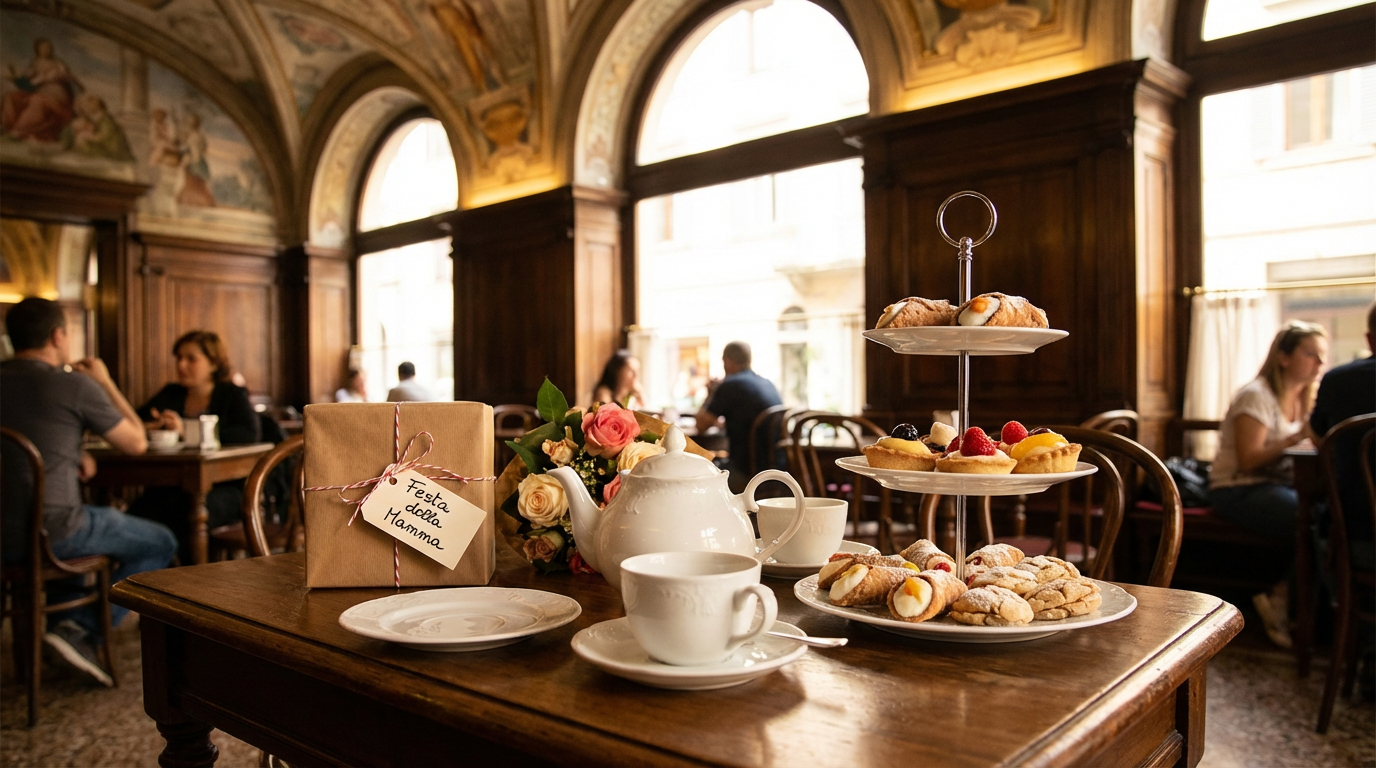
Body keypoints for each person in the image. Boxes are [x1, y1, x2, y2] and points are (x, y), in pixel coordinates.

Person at [0, 298, 177, 686]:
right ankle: (77, 631)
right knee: (160, 541)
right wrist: (104, 381)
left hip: (6, 536)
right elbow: (136, 443)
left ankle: (56, 629)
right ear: (58, 335)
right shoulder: (72, 384)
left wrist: (73, 449)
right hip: (55, 532)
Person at [1208, 320, 1328, 649]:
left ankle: (1306, 610)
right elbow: (1249, 460)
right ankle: (1283, 602)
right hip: (1237, 487)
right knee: (1313, 521)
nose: (1319, 363)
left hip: (1274, 485)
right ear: (1284, 357)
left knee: (1327, 515)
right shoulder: (1256, 395)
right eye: (1311, 354)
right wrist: (1297, 436)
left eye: (1322, 356)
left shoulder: (1305, 398)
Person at [131, 331, 261, 560]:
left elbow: (249, 433)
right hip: (172, 484)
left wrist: (186, 431)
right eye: (179, 358)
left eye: (191, 359)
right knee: (139, 512)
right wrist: (153, 425)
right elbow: (135, 421)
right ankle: (149, 581)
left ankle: (191, 580)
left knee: (187, 513)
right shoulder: (171, 393)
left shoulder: (231, 394)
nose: (182, 365)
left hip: (226, 486)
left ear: (213, 363)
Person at [696, 341, 783, 492]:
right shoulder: (767, 383)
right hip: (777, 470)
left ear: (727, 361)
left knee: (696, 476)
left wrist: (710, 393)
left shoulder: (730, 384)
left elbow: (701, 425)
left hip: (746, 472)